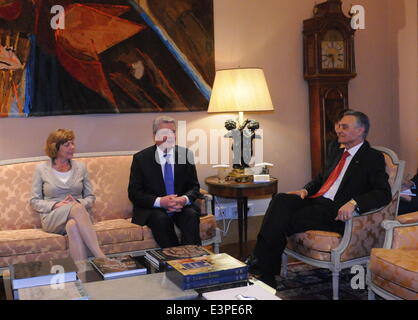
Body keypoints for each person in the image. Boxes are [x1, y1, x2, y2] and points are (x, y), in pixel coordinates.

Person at [246, 110, 392, 288]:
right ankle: (262, 266)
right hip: (317, 200)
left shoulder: (372, 157)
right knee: (280, 200)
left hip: (335, 211)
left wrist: (354, 203)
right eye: (338, 125)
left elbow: (383, 193)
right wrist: (305, 191)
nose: (338, 130)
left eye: (344, 127)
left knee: (282, 219)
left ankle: (263, 269)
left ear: (360, 130)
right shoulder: (335, 150)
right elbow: (321, 179)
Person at [30, 129, 110, 264]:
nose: (72, 147)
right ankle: (101, 257)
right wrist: (56, 205)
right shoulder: (41, 169)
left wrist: (77, 202)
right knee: (77, 208)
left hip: (81, 216)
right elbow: (34, 201)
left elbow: (91, 197)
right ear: (55, 147)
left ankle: (82, 276)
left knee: (73, 225)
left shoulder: (81, 168)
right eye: (67, 145)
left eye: (73, 143)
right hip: (53, 217)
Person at [128, 116, 202, 248]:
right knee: (160, 219)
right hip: (154, 208)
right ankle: (175, 259)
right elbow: (134, 193)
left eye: (173, 132)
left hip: (181, 206)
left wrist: (184, 199)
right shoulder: (141, 159)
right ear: (154, 135)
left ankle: (193, 258)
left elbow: (194, 187)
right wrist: (161, 202)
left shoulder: (185, 155)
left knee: (191, 215)